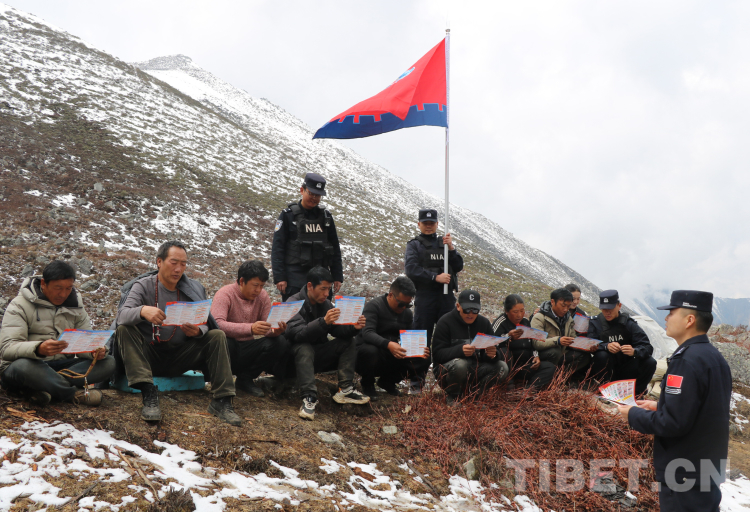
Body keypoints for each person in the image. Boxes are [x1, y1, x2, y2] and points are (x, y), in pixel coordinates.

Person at [619, 291, 731, 512]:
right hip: (707, 467)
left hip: (684, 470)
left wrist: (632, 414)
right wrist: (659, 405)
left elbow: (672, 423)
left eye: (671, 313)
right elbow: (705, 408)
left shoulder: (686, 361)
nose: (666, 318)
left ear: (689, 320)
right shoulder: (714, 357)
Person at [114, 241, 241, 426]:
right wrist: (142, 311)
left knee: (217, 336)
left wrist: (198, 331)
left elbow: (207, 324)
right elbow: (121, 316)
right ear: (159, 262)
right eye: (174, 262)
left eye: (183, 264)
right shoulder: (143, 286)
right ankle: (148, 393)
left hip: (181, 356)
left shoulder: (193, 289)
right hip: (147, 357)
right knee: (124, 330)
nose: (178, 269)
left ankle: (223, 400)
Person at [0, 260, 115, 406]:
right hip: (28, 366)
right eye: (58, 288)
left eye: (68, 288)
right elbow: (7, 348)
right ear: (44, 283)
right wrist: (38, 349)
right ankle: (73, 394)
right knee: (23, 366)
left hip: (62, 366)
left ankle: (44, 387)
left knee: (108, 362)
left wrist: (94, 352)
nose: (63, 294)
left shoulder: (76, 307)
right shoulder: (19, 305)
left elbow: (85, 342)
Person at [286, 266, 369, 420]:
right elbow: (297, 334)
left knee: (348, 342)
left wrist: (353, 327)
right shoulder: (293, 303)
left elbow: (337, 331)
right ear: (310, 286)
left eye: (329, 289)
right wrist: (323, 322)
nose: (326, 294)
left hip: (315, 358)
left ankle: (345, 389)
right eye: (323, 289)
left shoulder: (325, 305)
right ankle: (309, 397)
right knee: (304, 347)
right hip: (292, 360)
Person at [211, 260, 290, 397]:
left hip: (249, 346)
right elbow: (217, 324)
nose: (258, 290)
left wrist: (275, 331)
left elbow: (267, 327)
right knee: (223, 340)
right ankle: (223, 382)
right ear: (242, 281)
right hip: (229, 347)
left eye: (262, 286)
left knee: (280, 342)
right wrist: (250, 328)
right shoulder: (225, 294)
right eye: (255, 285)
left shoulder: (262, 296)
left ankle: (245, 379)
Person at [405, 208, 463, 392]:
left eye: (432, 223)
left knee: (449, 336)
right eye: (425, 223)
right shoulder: (414, 245)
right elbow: (411, 269)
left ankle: (449, 379)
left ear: (437, 224)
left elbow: (458, 265)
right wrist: (434, 277)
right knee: (419, 336)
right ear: (419, 224)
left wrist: (451, 248)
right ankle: (416, 382)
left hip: (446, 297)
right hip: (425, 296)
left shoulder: (445, 243)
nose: (428, 226)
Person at [271, 173, 343, 301]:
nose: (314, 198)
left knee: (323, 312)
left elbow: (335, 248)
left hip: (321, 278)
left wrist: (337, 276)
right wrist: (280, 277)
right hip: (294, 277)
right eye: (311, 193)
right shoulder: (288, 216)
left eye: (318, 195)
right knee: (294, 312)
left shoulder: (326, 217)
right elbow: (278, 248)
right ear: (302, 190)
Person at [355, 276, 430, 400]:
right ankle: (367, 384)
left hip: (392, 354)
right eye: (401, 304)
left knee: (423, 357)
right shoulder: (374, 306)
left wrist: (418, 349)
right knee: (370, 350)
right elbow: (367, 333)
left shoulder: (406, 313)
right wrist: (388, 344)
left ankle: (387, 382)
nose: (403, 307)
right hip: (369, 354)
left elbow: (409, 338)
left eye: (408, 305)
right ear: (390, 295)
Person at [432, 290, 509, 405]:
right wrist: (460, 350)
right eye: (467, 310)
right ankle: (453, 396)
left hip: (475, 368)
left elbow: (494, 350)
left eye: (475, 310)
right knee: (460, 364)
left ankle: (475, 395)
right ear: (458, 306)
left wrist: (493, 354)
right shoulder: (445, 322)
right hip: (449, 371)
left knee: (502, 367)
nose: (471, 314)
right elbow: (437, 354)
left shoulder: (484, 323)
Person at [587, 289, 656, 395]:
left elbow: (647, 347)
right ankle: (606, 390)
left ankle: (636, 393)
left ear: (619, 306)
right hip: (604, 370)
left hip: (626, 369)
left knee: (650, 362)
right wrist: (606, 346)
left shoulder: (629, 324)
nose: (607, 312)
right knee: (601, 355)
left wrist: (634, 351)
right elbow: (588, 343)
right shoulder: (595, 323)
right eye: (604, 309)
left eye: (610, 308)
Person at [491, 294, 556, 390]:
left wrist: (535, 356)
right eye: (515, 312)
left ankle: (530, 389)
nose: (519, 315)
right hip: (507, 367)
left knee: (549, 367)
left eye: (522, 311)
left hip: (524, 366)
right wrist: (508, 337)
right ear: (506, 311)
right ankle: (508, 384)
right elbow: (491, 343)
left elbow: (532, 342)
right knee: (504, 351)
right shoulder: (501, 322)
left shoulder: (525, 322)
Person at [530, 288, 594, 377]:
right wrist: (558, 340)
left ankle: (560, 377)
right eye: (563, 305)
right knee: (554, 352)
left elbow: (573, 338)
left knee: (584, 356)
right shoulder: (539, 317)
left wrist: (586, 346)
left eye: (568, 306)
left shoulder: (568, 318)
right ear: (553, 302)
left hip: (561, 352)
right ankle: (546, 375)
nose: (565, 309)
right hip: (544, 354)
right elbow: (537, 343)